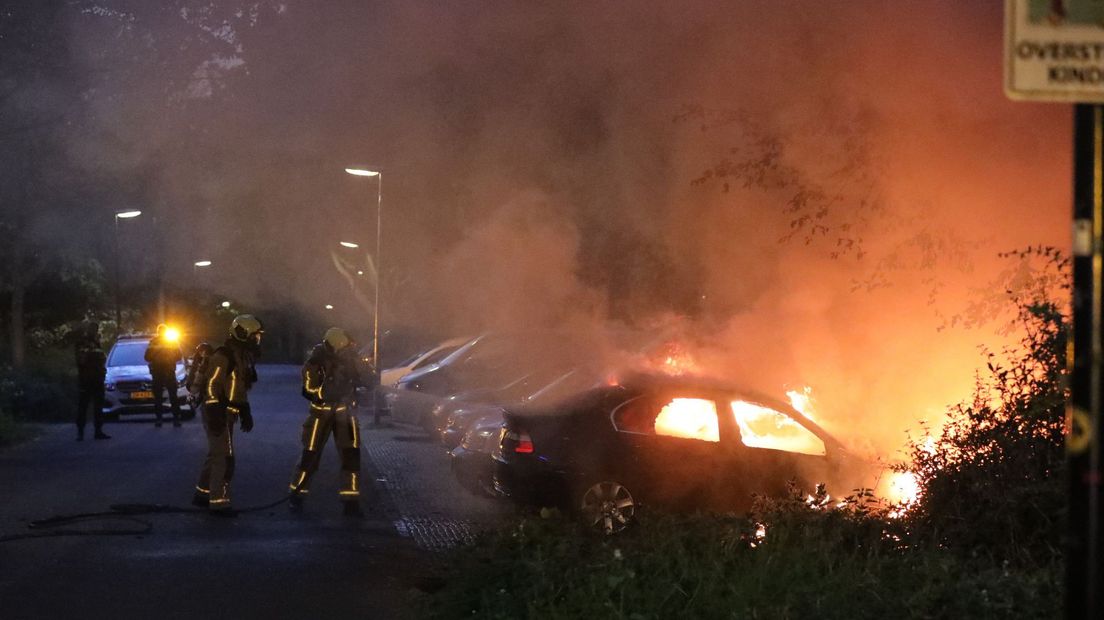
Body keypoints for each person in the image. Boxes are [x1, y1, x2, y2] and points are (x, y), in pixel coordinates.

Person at [288, 327, 369, 517]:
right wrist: (327, 393)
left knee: (351, 457)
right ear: (334, 347)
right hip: (320, 417)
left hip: (345, 415)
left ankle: (351, 502)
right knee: (310, 456)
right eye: (344, 349)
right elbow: (308, 389)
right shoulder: (315, 363)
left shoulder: (351, 360)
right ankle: (296, 496)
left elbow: (367, 378)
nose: (347, 352)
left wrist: (361, 371)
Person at [193, 315, 263, 515]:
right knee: (223, 456)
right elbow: (212, 386)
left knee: (216, 453)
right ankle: (219, 502)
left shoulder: (240, 356)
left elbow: (238, 388)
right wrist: (215, 413)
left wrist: (244, 409)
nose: (256, 341)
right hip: (217, 411)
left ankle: (202, 494)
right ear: (243, 334)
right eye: (254, 336)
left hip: (228, 412)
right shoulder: (223, 356)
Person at [74, 322, 110, 441]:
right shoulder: (83, 343)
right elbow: (81, 360)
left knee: (98, 406)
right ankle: (81, 432)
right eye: (94, 330)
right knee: (83, 406)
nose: (95, 332)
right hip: (86, 379)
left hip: (97, 379)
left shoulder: (96, 343)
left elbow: (101, 360)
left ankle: (98, 431)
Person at [144, 323, 183, 428]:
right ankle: (176, 419)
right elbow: (179, 356)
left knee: (158, 397)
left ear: (158, 332)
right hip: (168, 371)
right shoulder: (172, 341)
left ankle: (159, 419)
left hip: (158, 372)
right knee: (173, 396)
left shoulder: (153, 342)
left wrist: (156, 358)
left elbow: (147, 357)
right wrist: (170, 359)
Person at [184, 342, 215, 410]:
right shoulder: (198, 358)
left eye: (202, 351)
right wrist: (190, 381)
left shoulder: (210, 360)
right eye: (200, 352)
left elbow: (202, 373)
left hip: (209, 383)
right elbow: (193, 370)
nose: (201, 353)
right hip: (201, 383)